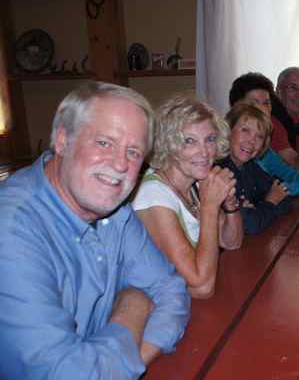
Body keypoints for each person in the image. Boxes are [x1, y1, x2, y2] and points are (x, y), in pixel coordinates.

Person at [0, 82, 190, 379]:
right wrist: (133, 307)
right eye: (104, 143)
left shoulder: (114, 211)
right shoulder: (11, 232)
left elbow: (171, 290)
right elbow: (67, 373)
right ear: (62, 141)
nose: (120, 164)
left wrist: (130, 361)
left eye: (133, 152)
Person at [132, 95, 243, 299]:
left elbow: (232, 242)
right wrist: (209, 206)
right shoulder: (153, 195)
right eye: (189, 141)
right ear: (169, 144)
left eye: (210, 139)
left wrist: (230, 206)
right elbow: (203, 286)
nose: (205, 152)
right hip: (153, 307)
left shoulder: (195, 181)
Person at [228, 72, 299, 195]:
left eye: (266, 103)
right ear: (236, 108)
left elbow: (288, 174)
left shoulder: (263, 147)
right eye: (253, 104)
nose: (262, 109)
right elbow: (264, 192)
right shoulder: (231, 148)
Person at [218, 103, 292, 234]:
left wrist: (257, 210)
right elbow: (250, 224)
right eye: (245, 130)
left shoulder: (250, 166)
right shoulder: (220, 171)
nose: (252, 141)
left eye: (259, 136)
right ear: (228, 131)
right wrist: (270, 202)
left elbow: (284, 195)